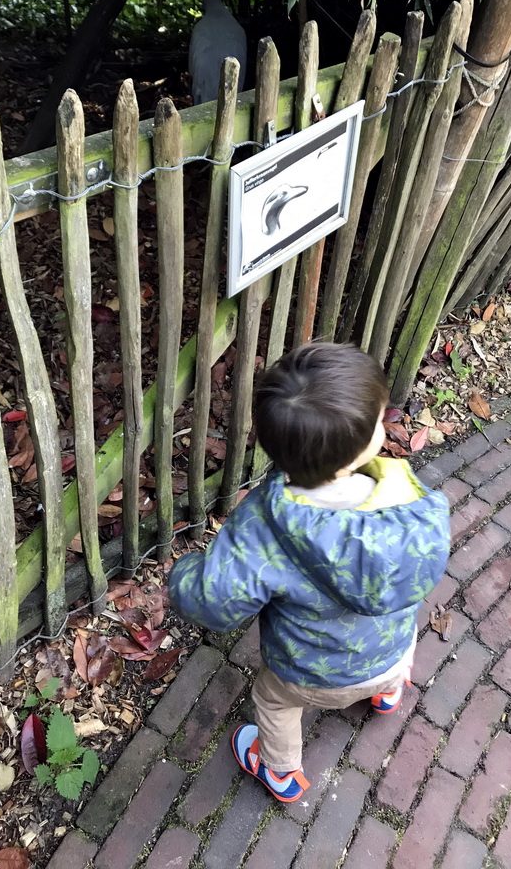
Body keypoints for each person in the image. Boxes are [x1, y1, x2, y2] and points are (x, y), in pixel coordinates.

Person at [168, 342, 451, 803]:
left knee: (274, 701)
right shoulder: (405, 500)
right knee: (393, 656)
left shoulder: (264, 525)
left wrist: (185, 572)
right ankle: (387, 694)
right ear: (360, 450)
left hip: (308, 673)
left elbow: (213, 602)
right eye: (379, 423)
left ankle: (280, 771)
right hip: (393, 649)